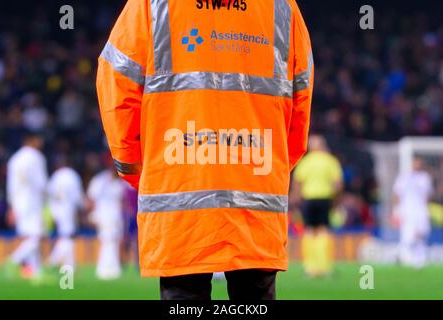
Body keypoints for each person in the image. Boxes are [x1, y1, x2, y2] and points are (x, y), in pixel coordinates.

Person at [97, 0, 313, 299]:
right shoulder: (282, 6)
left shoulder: (151, 4)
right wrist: (275, 166)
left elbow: (117, 83)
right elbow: (301, 94)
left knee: (184, 299)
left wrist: (133, 167)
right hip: (256, 192)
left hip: (179, 191)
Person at [292, 135, 343, 277]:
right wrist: (336, 201)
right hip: (325, 199)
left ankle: (310, 267)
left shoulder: (306, 162)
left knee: (309, 231)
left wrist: (295, 200)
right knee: (323, 231)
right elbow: (338, 184)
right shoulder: (330, 161)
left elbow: (298, 183)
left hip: (309, 199)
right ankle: (324, 266)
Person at [5, 131, 48, 278]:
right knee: (37, 236)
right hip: (33, 201)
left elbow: (10, 186)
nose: (41, 143)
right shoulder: (36, 157)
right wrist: (47, 201)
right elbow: (41, 183)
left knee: (29, 236)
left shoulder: (14, 159)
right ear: (32, 140)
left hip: (18, 202)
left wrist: (11, 207)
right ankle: (14, 259)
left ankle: (35, 272)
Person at [87, 166, 126, 280]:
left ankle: (111, 268)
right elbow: (91, 198)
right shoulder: (100, 180)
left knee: (112, 242)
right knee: (107, 241)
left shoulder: (120, 182)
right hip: (104, 216)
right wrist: (92, 215)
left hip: (115, 217)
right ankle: (106, 269)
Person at [393, 157, 433, 268]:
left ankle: (419, 259)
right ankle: (401, 254)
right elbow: (397, 193)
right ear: (412, 164)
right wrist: (396, 210)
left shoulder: (425, 178)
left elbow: (427, 195)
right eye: (416, 163)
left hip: (421, 211)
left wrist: (426, 209)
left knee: (421, 234)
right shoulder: (404, 177)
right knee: (408, 235)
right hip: (407, 210)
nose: (417, 165)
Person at [46, 156, 84, 269]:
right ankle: (53, 260)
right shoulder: (72, 175)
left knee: (65, 235)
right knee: (68, 236)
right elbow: (77, 196)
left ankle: (70, 264)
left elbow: (49, 193)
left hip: (55, 209)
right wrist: (81, 209)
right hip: (68, 209)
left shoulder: (55, 176)